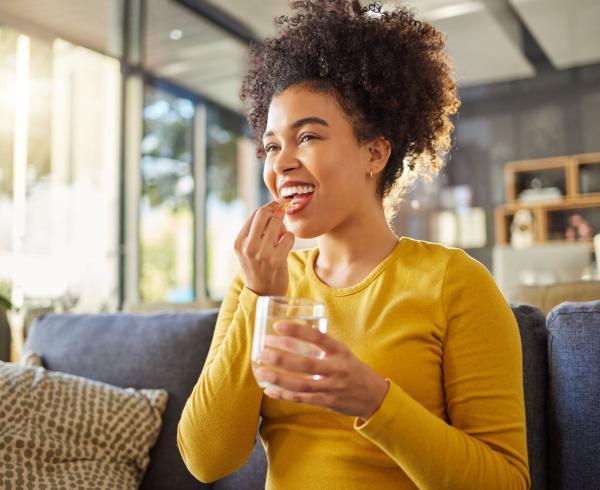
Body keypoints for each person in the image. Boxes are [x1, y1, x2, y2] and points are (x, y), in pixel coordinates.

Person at [177, 1, 531, 488]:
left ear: (375, 152)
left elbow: (506, 481)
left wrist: (374, 400)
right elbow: (206, 458)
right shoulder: (258, 284)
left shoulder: (455, 283)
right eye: (272, 145)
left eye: (308, 136)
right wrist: (260, 299)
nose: (280, 164)